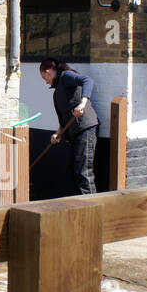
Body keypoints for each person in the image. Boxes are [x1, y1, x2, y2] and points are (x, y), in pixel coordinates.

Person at [40, 58, 99, 195]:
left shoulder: (66, 76)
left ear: (48, 72)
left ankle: (92, 206)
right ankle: (83, 205)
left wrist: (83, 103)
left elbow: (87, 80)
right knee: (75, 171)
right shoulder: (57, 93)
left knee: (84, 171)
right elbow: (64, 119)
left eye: (44, 77)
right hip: (74, 132)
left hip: (85, 128)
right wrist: (58, 133)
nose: (45, 81)